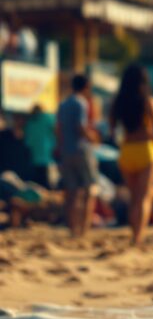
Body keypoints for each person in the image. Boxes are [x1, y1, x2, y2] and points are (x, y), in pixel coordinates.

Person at [110, 64, 153, 247]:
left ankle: (134, 234)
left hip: (126, 151)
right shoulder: (150, 102)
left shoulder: (117, 102)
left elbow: (111, 131)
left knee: (134, 197)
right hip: (146, 151)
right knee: (143, 198)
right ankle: (138, 237)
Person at [56, 74, 102, 238]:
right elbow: (80, 127)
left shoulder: (63, 104)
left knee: (71, 192)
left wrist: (60, 148)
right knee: (89, 189)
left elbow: (59, 129)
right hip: (81, 150)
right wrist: (94, 138)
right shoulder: (81, 103)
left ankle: (72, 229)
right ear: (86, 86)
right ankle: (84, 228)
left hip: (66, 151)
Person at [23, 104, 55, 189]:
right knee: (45, 182)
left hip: (35, 156)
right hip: (45, 155)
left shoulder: (30, 122)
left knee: (37, 182)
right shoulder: (47, 118)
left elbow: (27, 141)